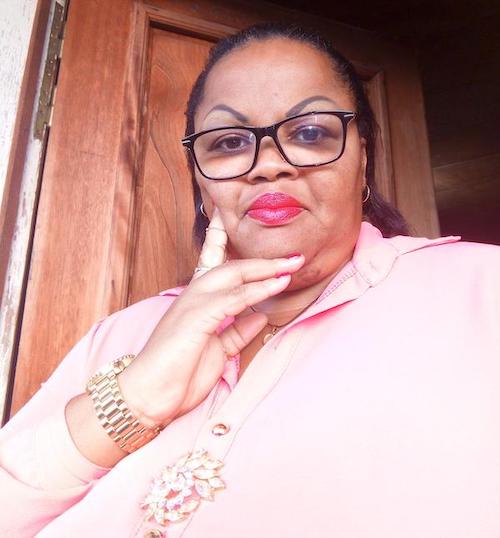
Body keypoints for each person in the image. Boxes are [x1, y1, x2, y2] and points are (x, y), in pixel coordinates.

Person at [1, 21, 499, 538]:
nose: (268, 165)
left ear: (363, 157)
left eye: (310, 132)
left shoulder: (483, 293)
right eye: (230, 142)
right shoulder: (121, 335)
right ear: (199, 177)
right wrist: (134, 399)